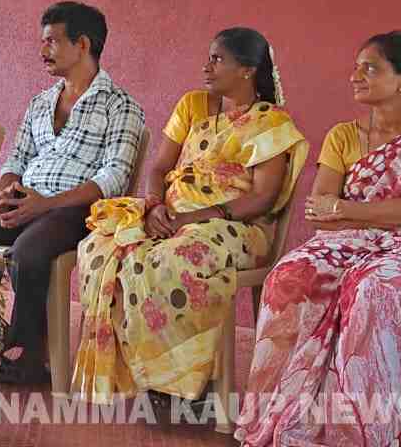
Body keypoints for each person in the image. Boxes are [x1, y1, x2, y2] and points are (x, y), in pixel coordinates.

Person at [71, 28, 307, 406]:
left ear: (247, 70)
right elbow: (160, 167)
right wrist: (154, 206)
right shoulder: (192, 105)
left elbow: (262, 199)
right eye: (208, 57)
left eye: (218, 59)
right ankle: (148, 373)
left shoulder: (270, 123)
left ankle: (185, 383)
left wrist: (194, 218)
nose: (206, 66)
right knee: (103, 248)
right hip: (171, 215)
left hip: (234, 226)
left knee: (172, 260)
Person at [0, 1, 145, 395]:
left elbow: (114, 177)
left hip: (78, 211)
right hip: (26, 203)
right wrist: (7, 192)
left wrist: (44, 204)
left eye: (52, 41)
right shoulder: (41, 102)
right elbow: (17, 158)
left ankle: (26, 353)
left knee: (27, 252)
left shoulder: (121, 105)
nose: (43, 50)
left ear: (82, 44)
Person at [237, 31, 401, 447]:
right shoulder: (343, 136)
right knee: (290, 276)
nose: (354, 76)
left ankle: (359, 434)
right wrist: (370, 215)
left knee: (373, 289)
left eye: (370, 68)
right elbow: (318, 213)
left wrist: (346, 209)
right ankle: (283, 421)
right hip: (346, 243)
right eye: (356, 67)